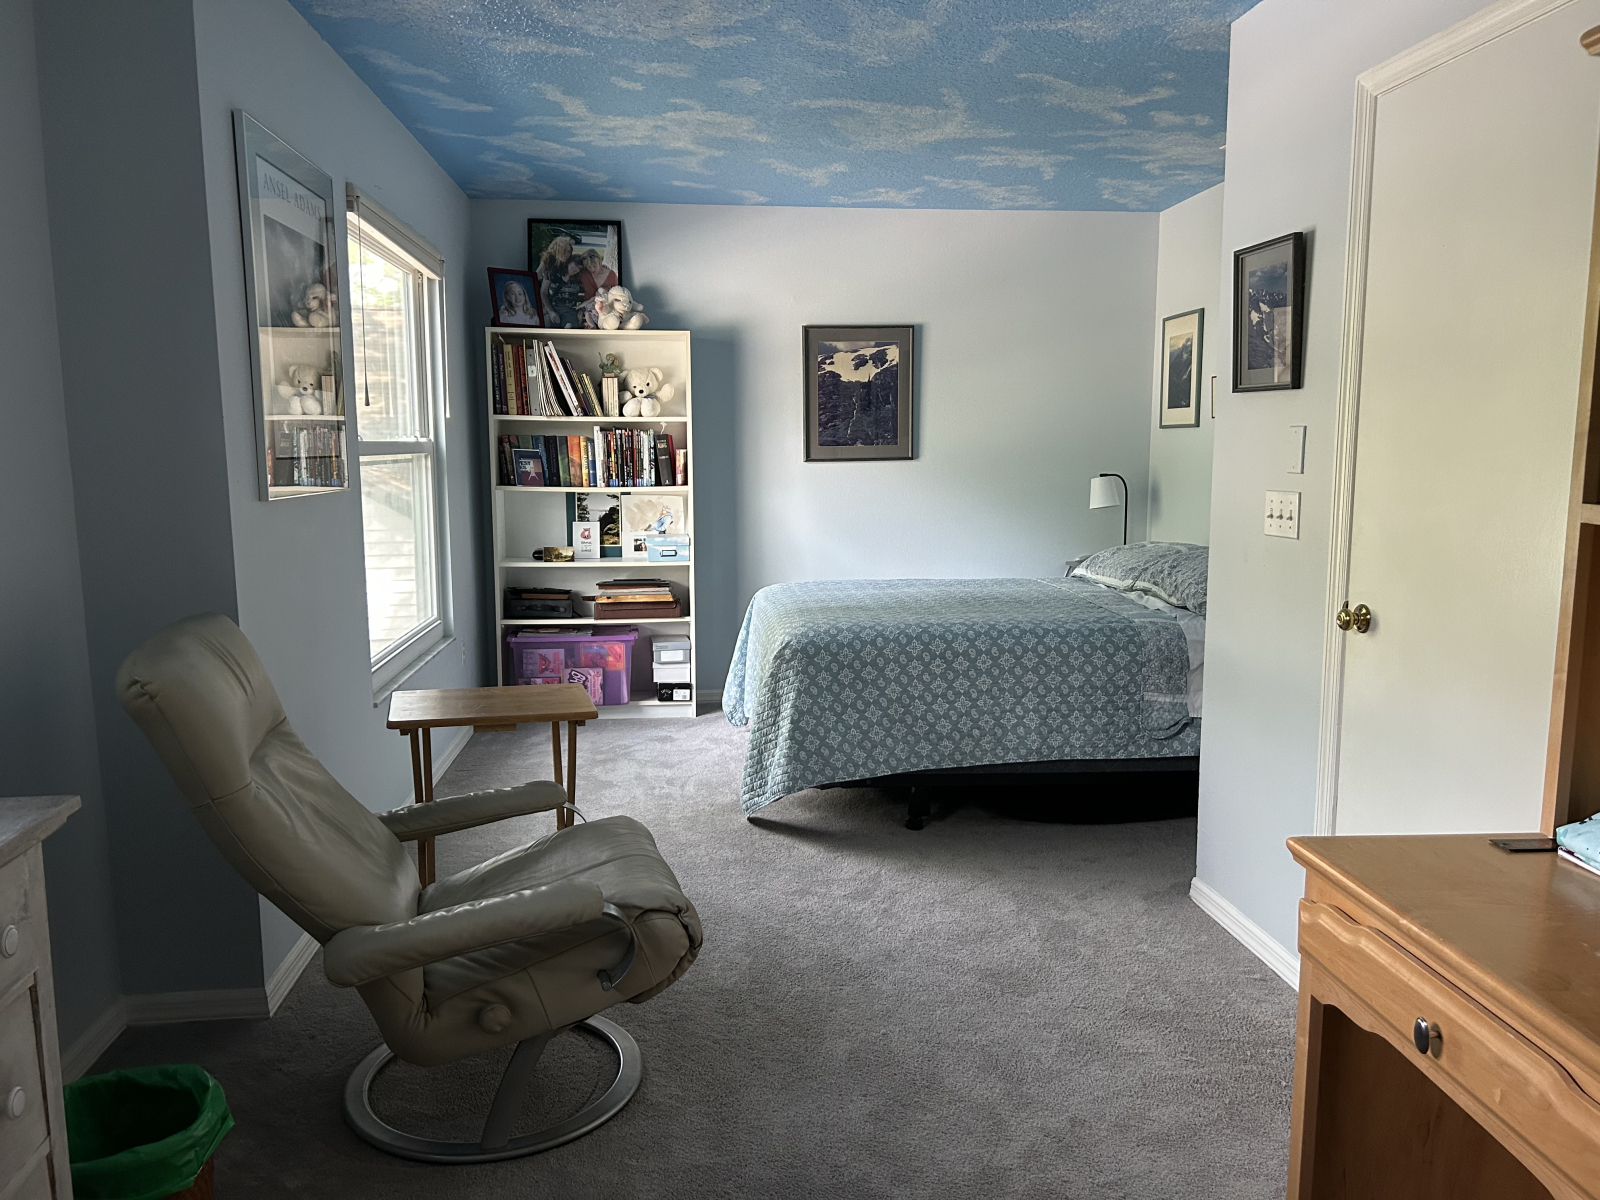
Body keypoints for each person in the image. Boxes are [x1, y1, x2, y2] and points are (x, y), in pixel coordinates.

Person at [536, 235, 585, 328]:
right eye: (565, 251)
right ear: (558, 250)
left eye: (569, 252)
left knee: (569, 327)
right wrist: (550, 311)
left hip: (568, 311)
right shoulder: (549, 266)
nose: (567, 254)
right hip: (552, 307)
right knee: (546, 324)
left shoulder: (571, 268)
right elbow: (538, 280)